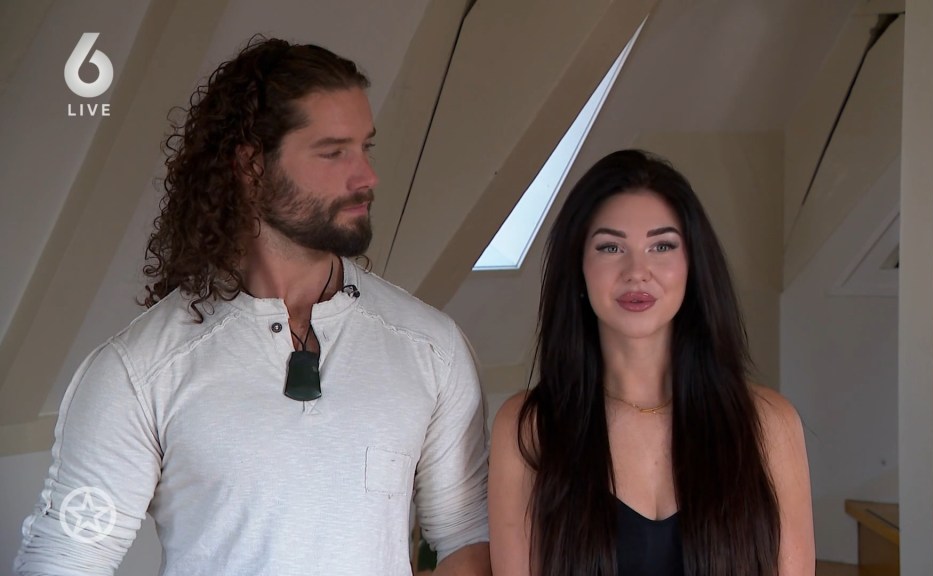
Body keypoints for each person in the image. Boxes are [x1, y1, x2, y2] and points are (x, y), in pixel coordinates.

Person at [15, 37, 490, 575]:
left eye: (365, 147)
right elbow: (65, 559)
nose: (366, 177)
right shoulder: (138, 372)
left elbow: (465, 537)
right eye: (334, 152)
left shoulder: (432, 348)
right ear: (250, 166)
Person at [488, 149, 813, 575]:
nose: (637, 271)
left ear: (693, 265)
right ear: (579, 268)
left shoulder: (770, 423)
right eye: (610, 247)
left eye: (662, 246)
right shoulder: (529, 428)